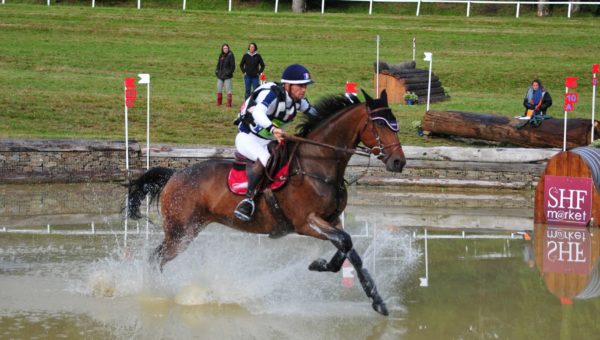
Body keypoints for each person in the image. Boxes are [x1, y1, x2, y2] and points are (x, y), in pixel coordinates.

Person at [233, 64, 317, 221]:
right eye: (300, 85)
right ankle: (248, 201)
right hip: (247, 138)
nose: (304, 90)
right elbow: (258, 112)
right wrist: (272, 129)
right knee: (267, 159)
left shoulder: (298, 102)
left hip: (268, 141)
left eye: (305, 86)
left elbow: (315, 113)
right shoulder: (272, 94)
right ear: (287, 85)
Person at [215, 43, 235, 107]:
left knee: (228, 90)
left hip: (227, 76)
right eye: (224, 48)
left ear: (228, 48)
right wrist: (217, 71)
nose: (225, 49)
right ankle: (219, 103)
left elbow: (233, 66)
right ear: (222, 49)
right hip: (220, 75)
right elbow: (218, 64)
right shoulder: (221, 55)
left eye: (226, 48)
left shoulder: (230, 55)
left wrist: (229, 73)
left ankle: (229, 104)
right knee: (219, 89)